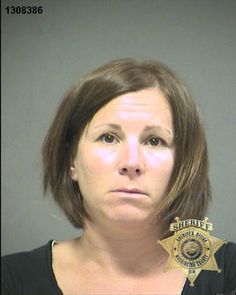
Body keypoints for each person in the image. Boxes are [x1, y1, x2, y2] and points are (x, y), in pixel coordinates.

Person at [2, 58, 236, 295]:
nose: (131, 162)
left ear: (183, 165)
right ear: (71, 159)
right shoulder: (10, 280)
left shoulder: (229, 273)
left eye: (155, 141)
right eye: (108, 137)